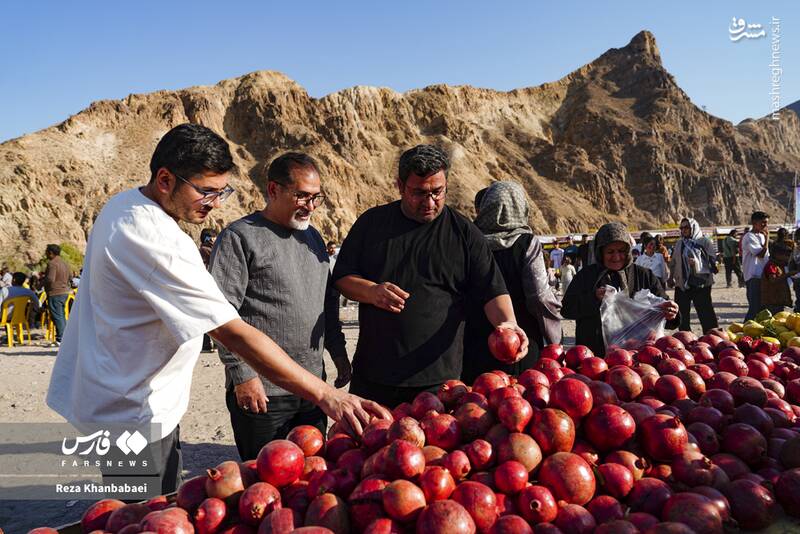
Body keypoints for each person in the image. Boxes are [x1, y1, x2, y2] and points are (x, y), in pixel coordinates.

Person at [47, 124, 389, 495]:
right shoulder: (155, 238)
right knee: (144, 514)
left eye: (222, 191)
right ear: (165, 179)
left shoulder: (124, 204)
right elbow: (230, 329)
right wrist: (327, 395)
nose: (216, 203)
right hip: (132, 412)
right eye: (206, 191)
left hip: (134, 397)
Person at [333, 144, 528, 407]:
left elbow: (491, 289)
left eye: (438, 192)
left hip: (440, 383)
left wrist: (509, 325)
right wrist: (371, 292)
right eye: (419, 193)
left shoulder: (465, 233)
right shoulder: (371, 224)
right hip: (375, 378)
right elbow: (343, 278)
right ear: (400, 186)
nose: (429, 202)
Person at [209, 152, 351, 461]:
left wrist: (338, 354)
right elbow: (219, 314)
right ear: (274, 190)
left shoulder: (313, 238)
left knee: (312, 481)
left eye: (316, 198)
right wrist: (242, 374)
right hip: (263, 394)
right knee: (264, 487)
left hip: (313, 390)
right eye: (301, 196)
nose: (310, 206)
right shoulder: (239, 238)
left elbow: (326, 306)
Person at [462, 181, 561, 384]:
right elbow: (540, 296)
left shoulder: (469, 242)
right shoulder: (526, 243)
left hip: (475, 342)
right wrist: (554, 336)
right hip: (520, 342)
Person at [562, 222, 680, 356]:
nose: (617, 257)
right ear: (600, 252)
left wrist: (672, 313)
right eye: (610, 252)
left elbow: (666, 312)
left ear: (629, 250)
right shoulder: (586, 276)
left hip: (640, 356)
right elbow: (567, 309)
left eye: (622, 251)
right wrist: (593, 298)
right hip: (595, 358)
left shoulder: (644, 275)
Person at [668, 218, 719, 333]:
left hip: (701, 283)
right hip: (682, 284)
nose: (683, 230)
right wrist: (671, 277)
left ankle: (712, 337)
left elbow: (713, 262)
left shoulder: (704, 241)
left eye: (686, 227)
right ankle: (686, 338)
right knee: (682, 314)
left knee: (705, 313)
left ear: (693, 227)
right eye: (681, 228)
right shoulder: (680, 243)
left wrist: (697, 263)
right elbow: (674, 262)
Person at [742, 212, 770, 321]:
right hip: (753, 276)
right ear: (754, 223)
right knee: (754, 308)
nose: (765, 225)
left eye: (766, 223)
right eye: (763, 223)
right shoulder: (749, 237)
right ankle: (744, 333)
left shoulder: (761, 236)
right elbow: (761, 254)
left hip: (762, 276)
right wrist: (767, 238)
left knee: (762, 309)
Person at [43, 244, 71, 345]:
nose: (45, 254)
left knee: (57, 316)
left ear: (50, 253)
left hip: (55, 292)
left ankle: (61, 339)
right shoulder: (65, 263)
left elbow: (50, 279)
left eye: (46, 252)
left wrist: (41, 283)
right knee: (61, 315)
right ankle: (65, 338)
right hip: (65, 292)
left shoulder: (52, 264)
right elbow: (70, 277)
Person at [761, 241, 797, 314]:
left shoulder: (780, 265)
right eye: (786, 256)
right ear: (778, 255)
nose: (788, 258)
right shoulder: (771, 266)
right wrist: (788, 274)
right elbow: (773, 280)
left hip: (779, 301)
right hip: (773, 303)